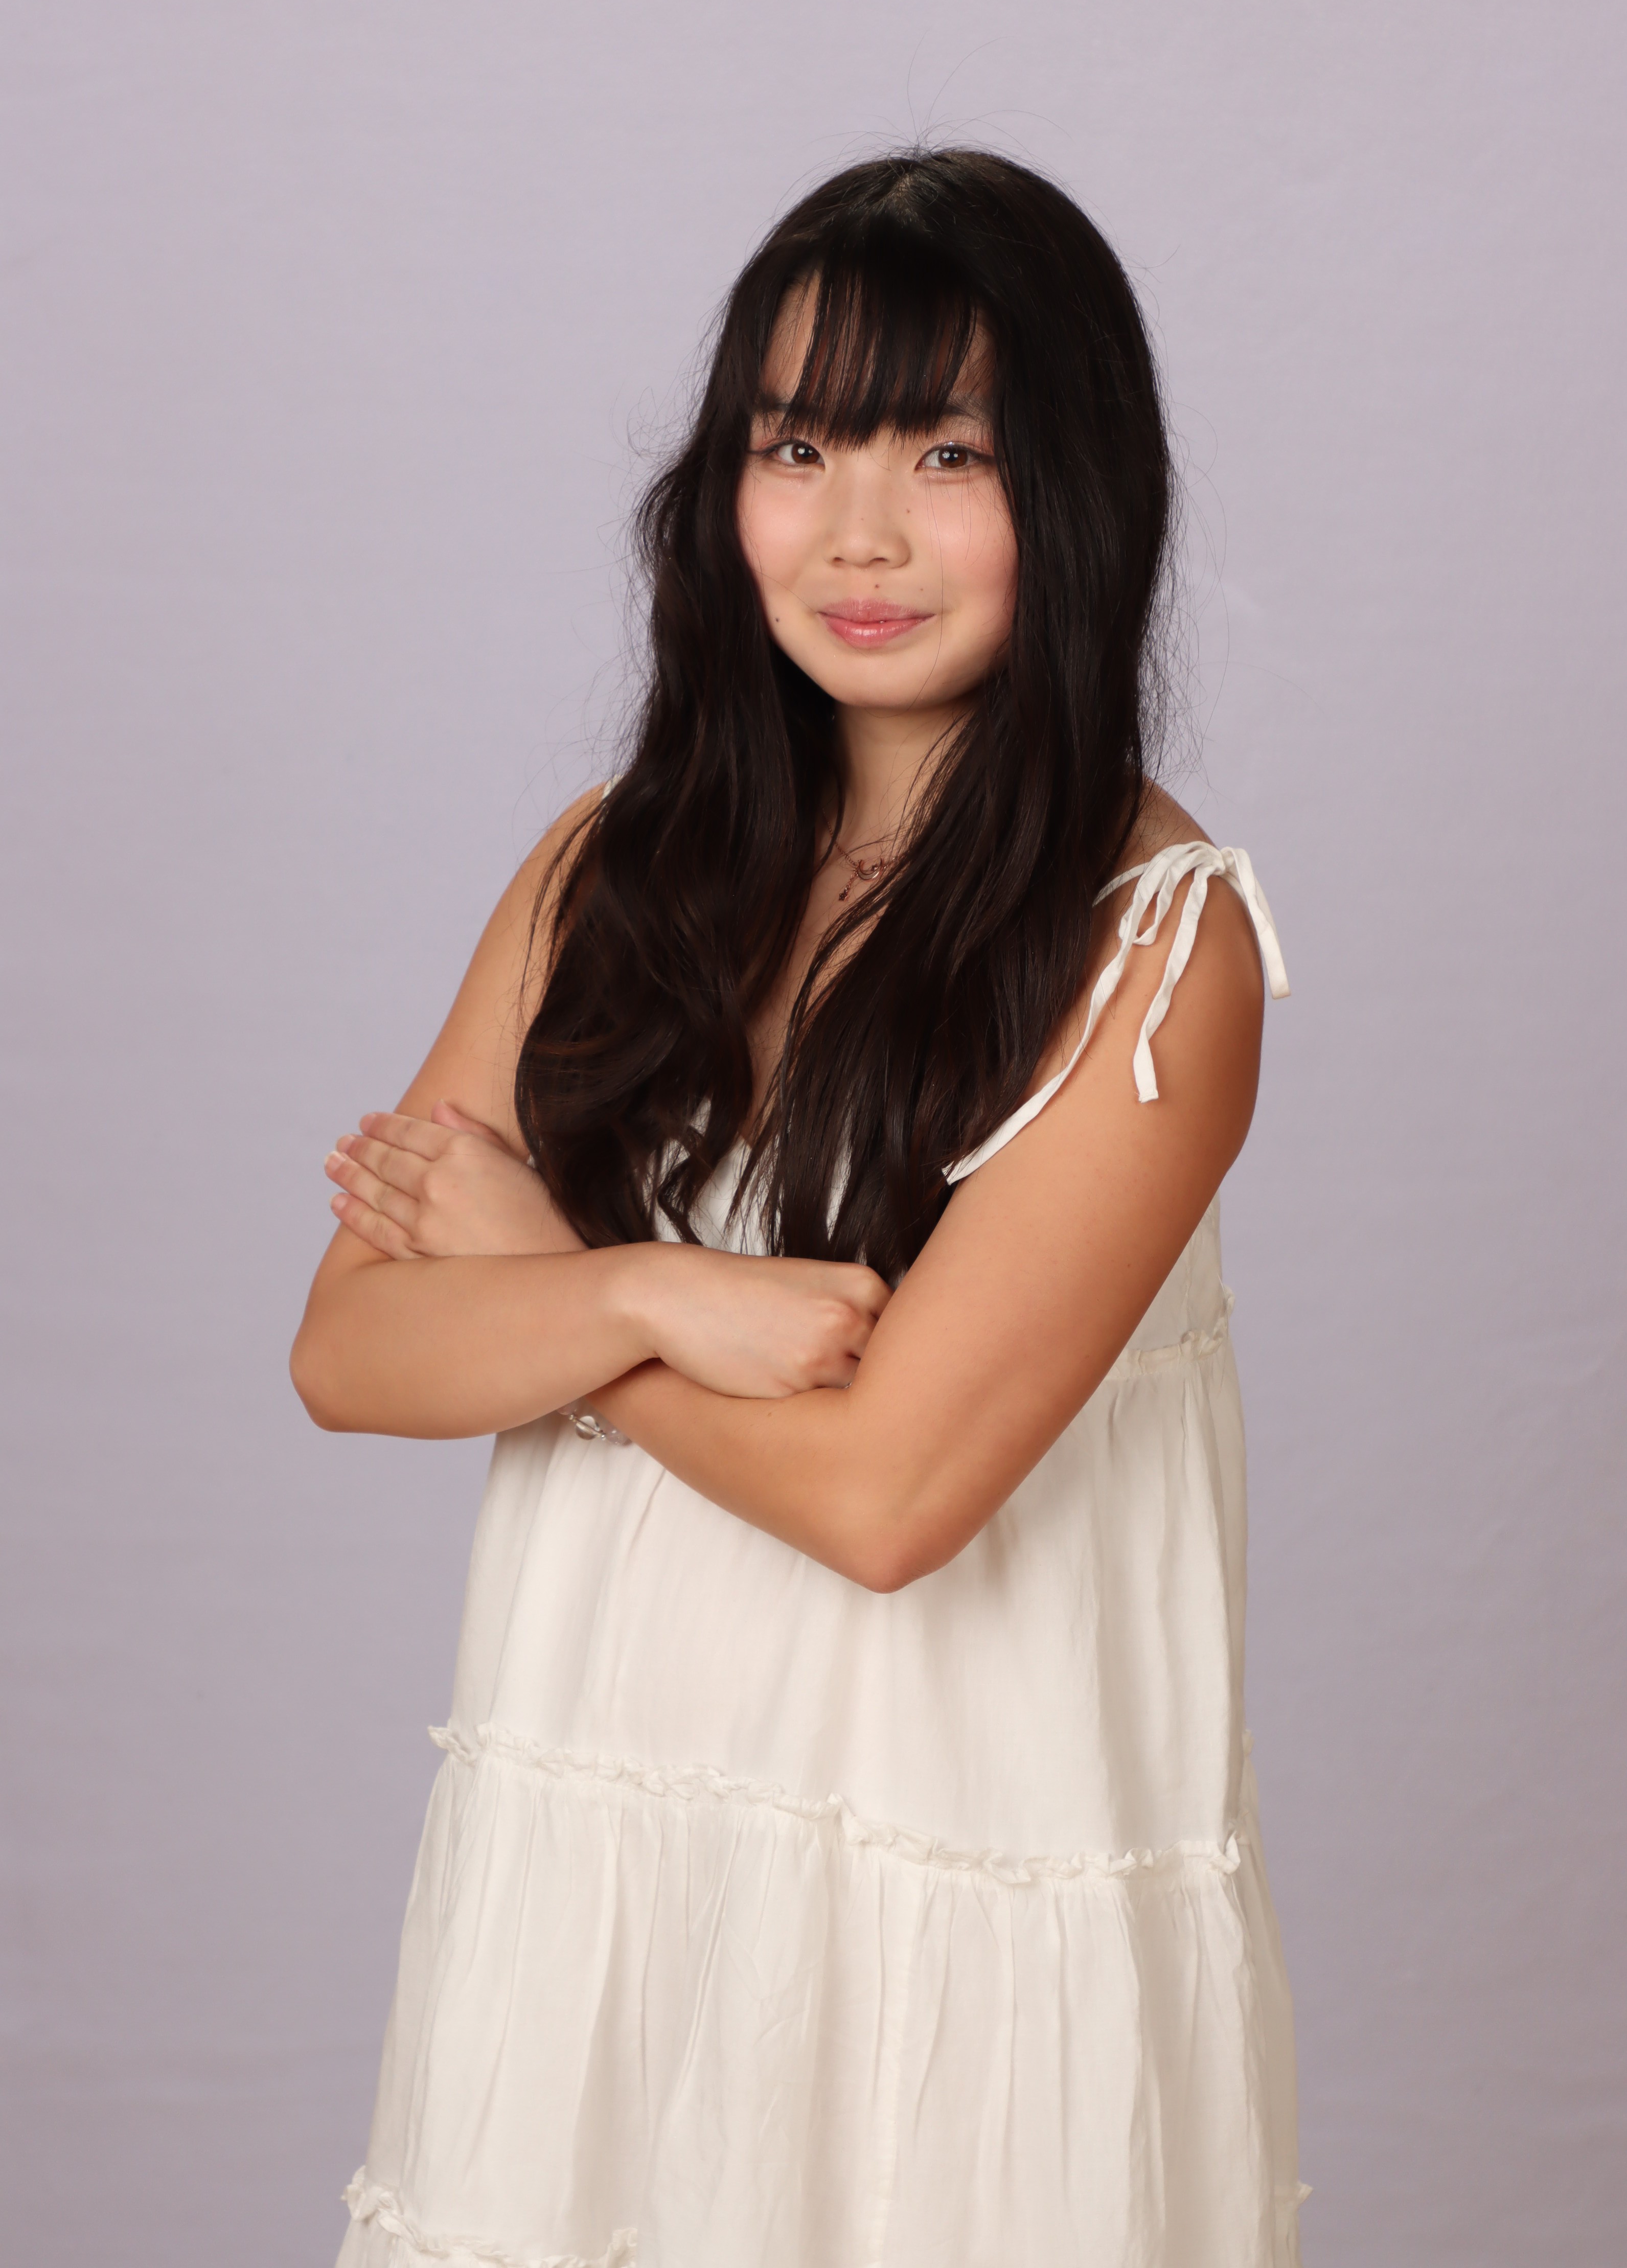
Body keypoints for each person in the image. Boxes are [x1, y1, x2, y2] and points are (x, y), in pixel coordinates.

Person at [292, 148, 1307, 2268]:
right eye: (797, 446)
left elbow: (885, 1500)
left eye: (948, 454)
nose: (859, 533)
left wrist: (560, 1293)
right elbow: (352, 1346)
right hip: (608, 1862)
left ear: (1076, 494)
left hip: (951, 1893)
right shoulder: (613, 867)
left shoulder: (1155, 948)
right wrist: (658, 1296)